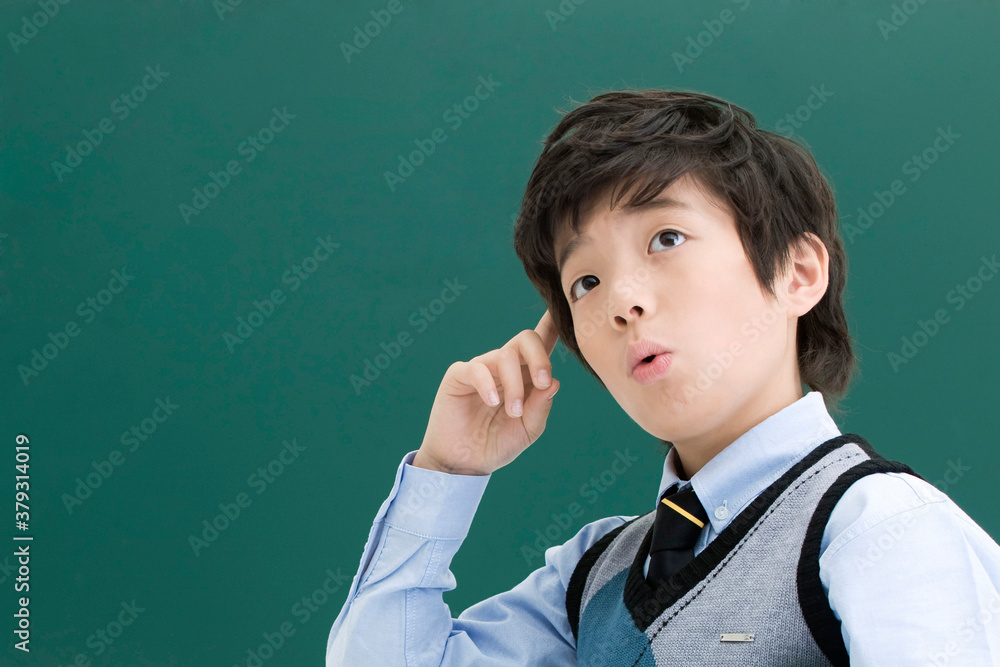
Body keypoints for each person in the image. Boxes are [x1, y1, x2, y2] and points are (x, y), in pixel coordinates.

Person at [326, 89, 1000, 665]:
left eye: (666, 239)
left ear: (797, 274)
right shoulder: (598, 571)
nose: (622, 300)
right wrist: (448, 470)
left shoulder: (876, 524)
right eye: (585, 280)